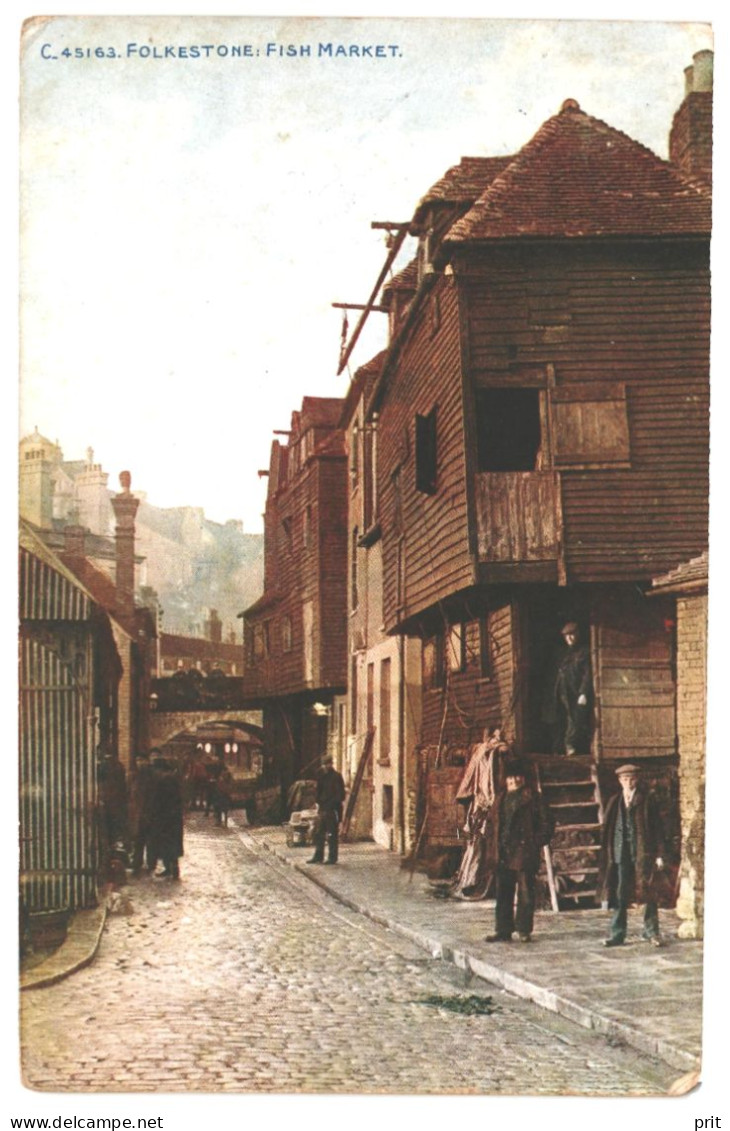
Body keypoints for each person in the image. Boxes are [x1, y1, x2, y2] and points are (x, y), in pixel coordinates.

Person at [598, 763, 667, 948]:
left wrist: (659, 855)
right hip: (621, 855)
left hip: (642, 853)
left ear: (637, 780)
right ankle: (617, 934)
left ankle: (651, 932)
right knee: (620, 894)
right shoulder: (614, 801)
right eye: (625, 779)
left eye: (632, 779)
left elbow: (658, 829)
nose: (628, 783)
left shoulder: (647, 800)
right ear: (620, 781)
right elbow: (608, 830)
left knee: (647, 892)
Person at [484, 758, 553, 943]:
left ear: (524, 779)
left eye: (517, 777)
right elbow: (491, 825)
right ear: (505, 780)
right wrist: (492, 844)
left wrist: (534, 843)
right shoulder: (500, 799)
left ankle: (524, 930)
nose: (514, 780)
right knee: (503, 892)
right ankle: (503, 930)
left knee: (525, 892)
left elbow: (547, 825)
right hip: (503, 852)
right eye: (510, 777)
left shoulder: (533, 798)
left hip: (524, 852)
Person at [451, 727, 510, 899]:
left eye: (499, 736)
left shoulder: (492, 751)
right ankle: (471, 880)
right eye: (495, 736)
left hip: (485, 803)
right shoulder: (484, 751)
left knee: (481, 845)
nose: (497, 739)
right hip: (482, 803)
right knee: (477, 845)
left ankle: (473, 880)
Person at [554, 621, 592, 755]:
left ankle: (570, 745)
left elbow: (588, 674)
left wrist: (583, 693)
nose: (569, 638)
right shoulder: (564, 654)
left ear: (578, 635)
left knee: (575, 718)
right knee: (562, 717)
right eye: (566, 636)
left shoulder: (585, 652)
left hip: (576, 692)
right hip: (563, 692)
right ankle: (560, 747)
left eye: (572, 635)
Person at [149, 755, 184, 880]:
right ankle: (171, 869)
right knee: (171, 845)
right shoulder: (170, 779)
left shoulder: (164, 780)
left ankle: (172, 870)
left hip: (167, 818)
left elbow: (161, 801)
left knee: (168, 845)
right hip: (173, 818)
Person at [308, 756, 346, 865]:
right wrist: (318, 803)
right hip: (322, 809)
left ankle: (332, 857)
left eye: (327, 764)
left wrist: (333, 804)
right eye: (324, 765)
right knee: (319, 834)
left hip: (332, 809)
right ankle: (318, 856)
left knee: (331, 834)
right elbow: (318, 791)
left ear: (331, 764)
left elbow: (341, 795)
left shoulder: (337, 777)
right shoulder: (321, 776)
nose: (325, 766)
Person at [129, 752, 155, 875]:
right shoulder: (135, 776)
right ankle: (138, 863)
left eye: (141, 760)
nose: (139, 763)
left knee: (147, 840)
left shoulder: (150, 776)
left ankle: (149, 863)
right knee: (139, 841)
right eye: (138, 761)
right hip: (139, 813)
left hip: (147, 813)